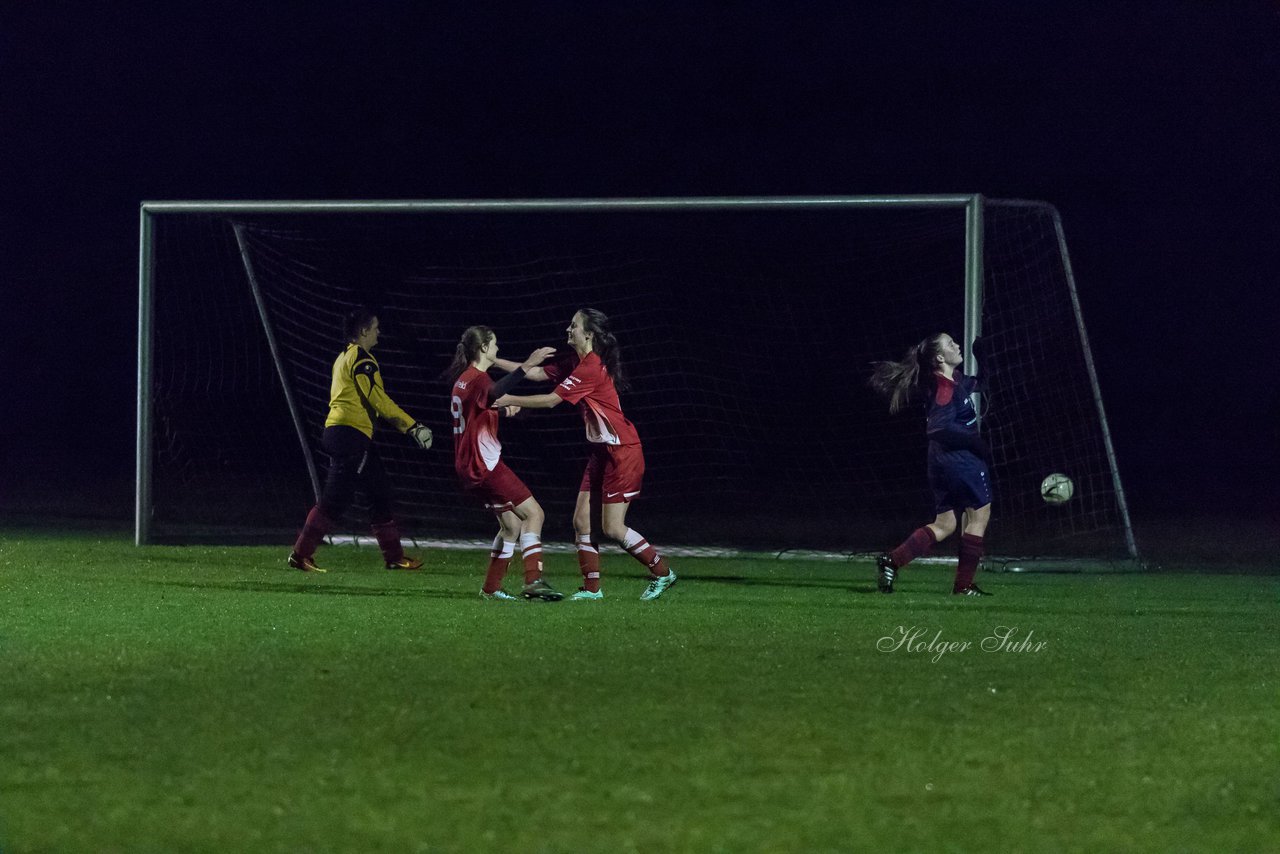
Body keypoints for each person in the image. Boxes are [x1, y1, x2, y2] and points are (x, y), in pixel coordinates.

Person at [492, 309, 677, 601]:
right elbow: (537, 373)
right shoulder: (573, 362)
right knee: (581, 522)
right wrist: (492, 360)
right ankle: (592, 590)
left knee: (613, 528)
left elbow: (552, 400)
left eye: (574, 325)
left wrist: (508, 399)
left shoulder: (590, 368)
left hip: (621, 452)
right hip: (600, 452)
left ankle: (663, 573)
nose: (568, 329)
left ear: (588, 334)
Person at [288, 308, 434, 572]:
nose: (379, 332)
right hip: (349, 434)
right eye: (376, 327)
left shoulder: (343, 356)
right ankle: (300, 554)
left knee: (380, 493)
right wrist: (411, 426)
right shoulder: (362, 359)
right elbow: (377, 397)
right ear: (364, 331)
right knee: (335, 499)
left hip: (346, 433)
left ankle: (395, 558)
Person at [446, 325, 564, 601]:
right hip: (485, 465)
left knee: (510, 525)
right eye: (495, 344)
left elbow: (480, 408)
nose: (498, 348)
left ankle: (491, 588)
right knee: (535, 514)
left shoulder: (464, 379)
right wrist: (527, 365)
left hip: (467, 465)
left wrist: (503, 412)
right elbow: (496, 389)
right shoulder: (480, 379)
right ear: (485, 347)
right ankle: (534, 581)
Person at [868, 332, 992, 596]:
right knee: (979, 515)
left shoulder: (953, 379)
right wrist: (974, 444)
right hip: (960, 459)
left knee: (945, 524)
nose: (957, 345)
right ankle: (964, 586)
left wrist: (983, 357)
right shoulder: (944, 388)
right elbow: (937, 429)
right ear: (939, 358)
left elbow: (981, 383)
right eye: (950, 344)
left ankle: (892, 561)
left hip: (938, 461)